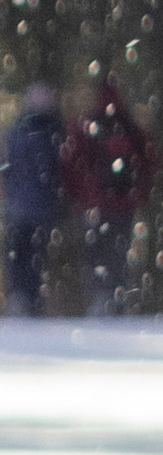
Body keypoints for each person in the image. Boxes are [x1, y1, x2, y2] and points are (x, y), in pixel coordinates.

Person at [63, 79, 156, 317]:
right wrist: (140, 194)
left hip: (94, 205)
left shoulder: (87, 126)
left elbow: (71, 161)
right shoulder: (129, 126)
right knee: (118, 253)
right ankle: (116, 298)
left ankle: (99, 297)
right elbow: (149, 162)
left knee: (94, 253)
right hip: (123, 206)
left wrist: (80, 195)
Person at [0, 83, 68, 315]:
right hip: (40, 211)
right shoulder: (51, 135)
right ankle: (30, 303)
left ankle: (19, 301)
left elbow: (2, 166)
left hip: (15, 210)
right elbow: (56, 173)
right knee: (34, 261)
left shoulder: (15, 132)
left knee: (17, 259)